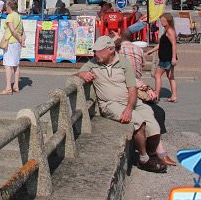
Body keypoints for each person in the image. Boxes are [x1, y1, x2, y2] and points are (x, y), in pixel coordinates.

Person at [73, 36, 167, 173]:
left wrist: (129, 108)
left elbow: (132, 88)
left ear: (110, 50)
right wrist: (81, 73)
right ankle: (143, 159)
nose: (95, 54)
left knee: (154, 127)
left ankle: (152, 154)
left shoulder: (123, 63)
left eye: (98, 51)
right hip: (110, 104)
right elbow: (72, 76)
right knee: (139, 122)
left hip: (130, 101)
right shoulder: (93, 63)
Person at [116, 29, 176, 166]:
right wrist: (144, 86)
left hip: (133, 87)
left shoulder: (118, 50)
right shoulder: (137, 49)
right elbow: (139, 68)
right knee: (156, 112)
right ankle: (158, 153)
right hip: (129, 89)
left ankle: (157, 152)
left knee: (156, 112)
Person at [146, 13, 178, 103]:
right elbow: (161, 44)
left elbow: (174, 45)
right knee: (170, 77)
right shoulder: (166, 30)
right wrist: (152, 51)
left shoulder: (170, 31)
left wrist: (173, 58)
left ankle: (156, 95)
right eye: (161, 20)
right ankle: (174, 96)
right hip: (167, 57)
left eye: (163, 20)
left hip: (166, 58)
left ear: (168, 21)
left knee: (157, 75)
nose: (161, 22)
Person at [0, 1, 24, 95]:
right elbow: (22, 32)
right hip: (17, 43)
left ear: (10, 7)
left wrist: (18, 38)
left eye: (7, 7)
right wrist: (21, 40)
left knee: (8, 64)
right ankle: (16, 85)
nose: (6, 8)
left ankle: (8, 88)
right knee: (16, 65)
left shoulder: (10, 16)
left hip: (10, 42)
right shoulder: (19, 16)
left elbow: (12, 30)